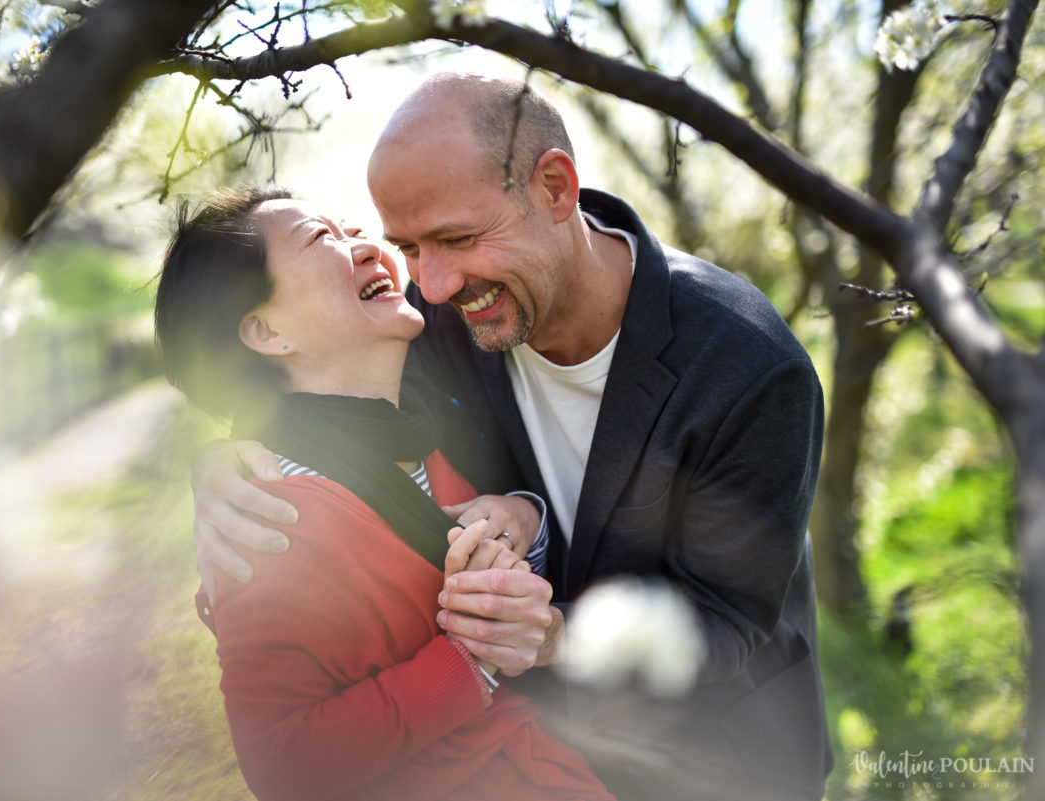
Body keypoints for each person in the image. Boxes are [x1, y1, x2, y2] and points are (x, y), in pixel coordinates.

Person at [190, 73, 831, 800]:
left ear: (556, 189)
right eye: (409, 246)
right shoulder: (436, 317)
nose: (429, 284)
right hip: (548, 761)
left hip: (719, 757)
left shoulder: (748, 368)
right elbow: (318, 380)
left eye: (456, 238)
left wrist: (554, 637)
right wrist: (224, 457)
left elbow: (723, 621)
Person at [154, 186, 614, 800]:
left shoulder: (422, 437)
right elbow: (283, 762)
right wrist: (471, 658)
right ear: (265, 331)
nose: (368, 245)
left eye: (353, 228)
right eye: (324, 239)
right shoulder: (271, 517)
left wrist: (520, 517)